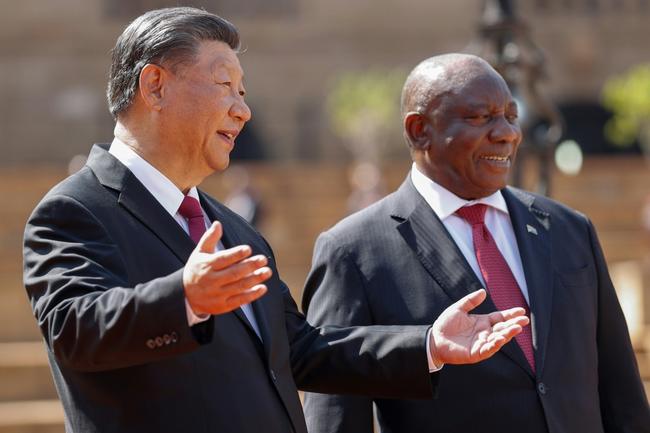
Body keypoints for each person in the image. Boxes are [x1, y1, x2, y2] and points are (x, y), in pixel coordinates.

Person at [22, 10, 530, 433]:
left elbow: (302, 350)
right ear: (154, 86)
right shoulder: (76, 210)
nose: (242, 111)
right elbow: (75, 329)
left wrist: (427, 345)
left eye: (243, 93)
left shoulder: (234, 231)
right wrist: (184, 300)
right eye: (225, 85)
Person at [302, 53, 650, 433]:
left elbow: (622, 396)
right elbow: (333, 414)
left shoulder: (569, 229)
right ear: (420, 130)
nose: (507, 133)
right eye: (481, 118)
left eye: (511, 117)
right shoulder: (353, 251)